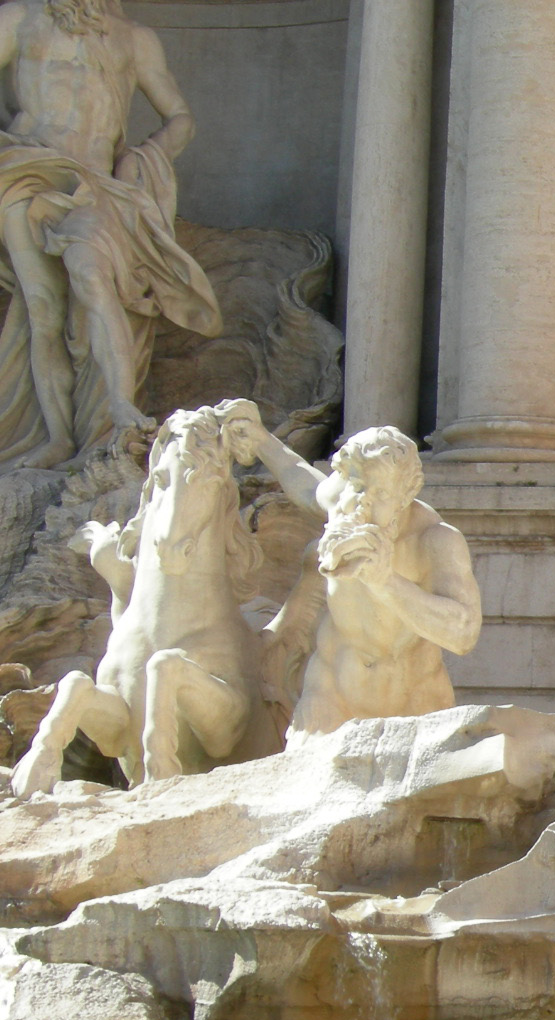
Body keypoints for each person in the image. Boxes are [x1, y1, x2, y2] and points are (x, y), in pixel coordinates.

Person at [0, 0, 220, 469]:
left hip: (94, 182)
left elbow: (179, 116)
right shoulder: (18, 19)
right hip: (28, 170)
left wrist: (143, 157)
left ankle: (121, 406)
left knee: (90, 271)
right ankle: (58, 437)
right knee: (42, 306)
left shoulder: (134, 38)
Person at [221, 403, 482, 736]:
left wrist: (386, 581)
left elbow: (463, 634)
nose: (364, 504)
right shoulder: (341, 504)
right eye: (357, 488)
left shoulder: (436, 540)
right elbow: (302, 482)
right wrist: (259, 440)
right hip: (331, 694)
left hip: (416, 699)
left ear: (405, 497)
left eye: (382, 494)